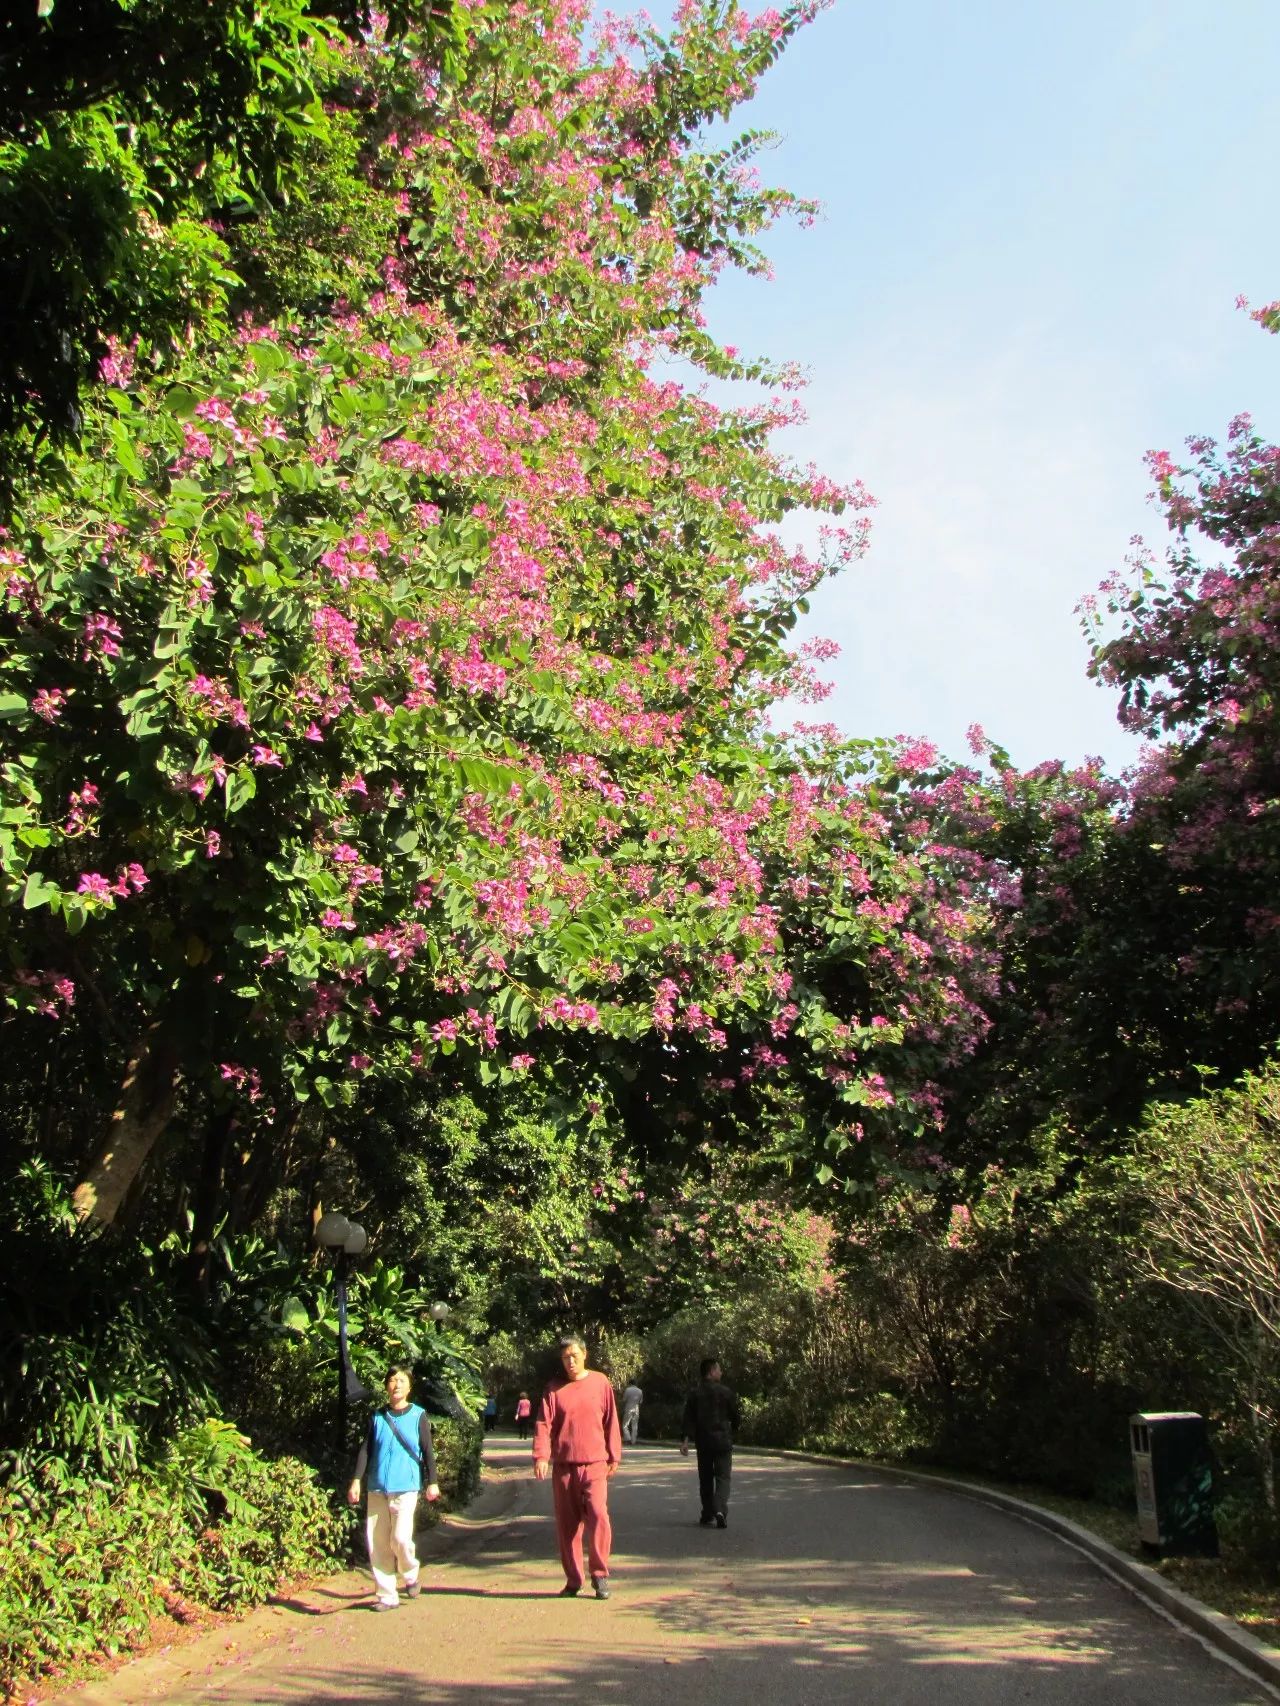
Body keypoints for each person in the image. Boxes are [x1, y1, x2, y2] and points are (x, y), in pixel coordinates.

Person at [533, 1334, 622, 1599]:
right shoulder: (553, 1389)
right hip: (564, 1466)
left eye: (574, 1356)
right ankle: (574, 1579)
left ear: (585, 1354)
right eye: (565, 1358)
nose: (570, 1362)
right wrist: (540, 1456)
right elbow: (543, 1424)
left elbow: (611, 1420)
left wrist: (613, 1455)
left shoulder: (600, 1382)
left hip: (594, 1462)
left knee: (598, 1515)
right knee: (568, 1525)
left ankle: (600, 1574)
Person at [348, 1364, 440, 1610]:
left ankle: (410, 1573)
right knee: (378, 1542)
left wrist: (433, 1482)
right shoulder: (377, 1416)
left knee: (399, 1538)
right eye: (392, 1380)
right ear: (386, 1386)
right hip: (377, 1485)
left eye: (401, 1380)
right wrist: (357, 1479)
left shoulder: (418, 1415)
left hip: (406, 1485)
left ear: (409, 1387)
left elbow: (428, 1451)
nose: (396, 1384)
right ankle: (387, 1595)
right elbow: (366, 1449)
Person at [680, 1357, 740, 1529]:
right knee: (723, 1478)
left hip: (704, 1441)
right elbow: (735, 1416)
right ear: (711, 1371)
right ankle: (720, 1509)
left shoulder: (694, 1394)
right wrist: (734, 1430)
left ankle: (707, 1513)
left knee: (705, 1478)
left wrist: (685, 1441)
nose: (721, 1372)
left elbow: (688, 1419)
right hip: (723, 1441)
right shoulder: (726, 1392)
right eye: (719, 1369)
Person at [620, 1379, 644, 1445]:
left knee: (625, 1425)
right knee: (635, 1425)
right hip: (636, 1408)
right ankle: (633, 1441)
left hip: (628, 1408)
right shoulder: (640, 1391)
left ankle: (628, 1438)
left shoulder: (628, 1390)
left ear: (630, 1383)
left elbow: (624, 1399)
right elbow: (640, 1402)